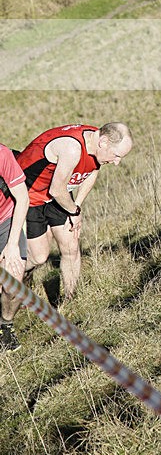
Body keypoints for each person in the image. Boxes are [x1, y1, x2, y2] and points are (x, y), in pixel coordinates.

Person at [14, 122, 133, 303]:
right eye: (116, 155)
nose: (117, 162)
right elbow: (56, 189)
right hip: (30, 196)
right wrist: (74, 212)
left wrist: (76, 204)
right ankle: (13, 277)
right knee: (39, 257)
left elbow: (91, 171)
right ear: (104, 142)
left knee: (71, 247)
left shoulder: (95, 142)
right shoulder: (72, 148)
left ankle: (70, 300)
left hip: (58, 193)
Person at [0, 143, 29, 351]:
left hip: (5, 220)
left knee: (13, 281)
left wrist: (11, 245)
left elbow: (22, 198)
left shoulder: (2, 155)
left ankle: (6, 325)